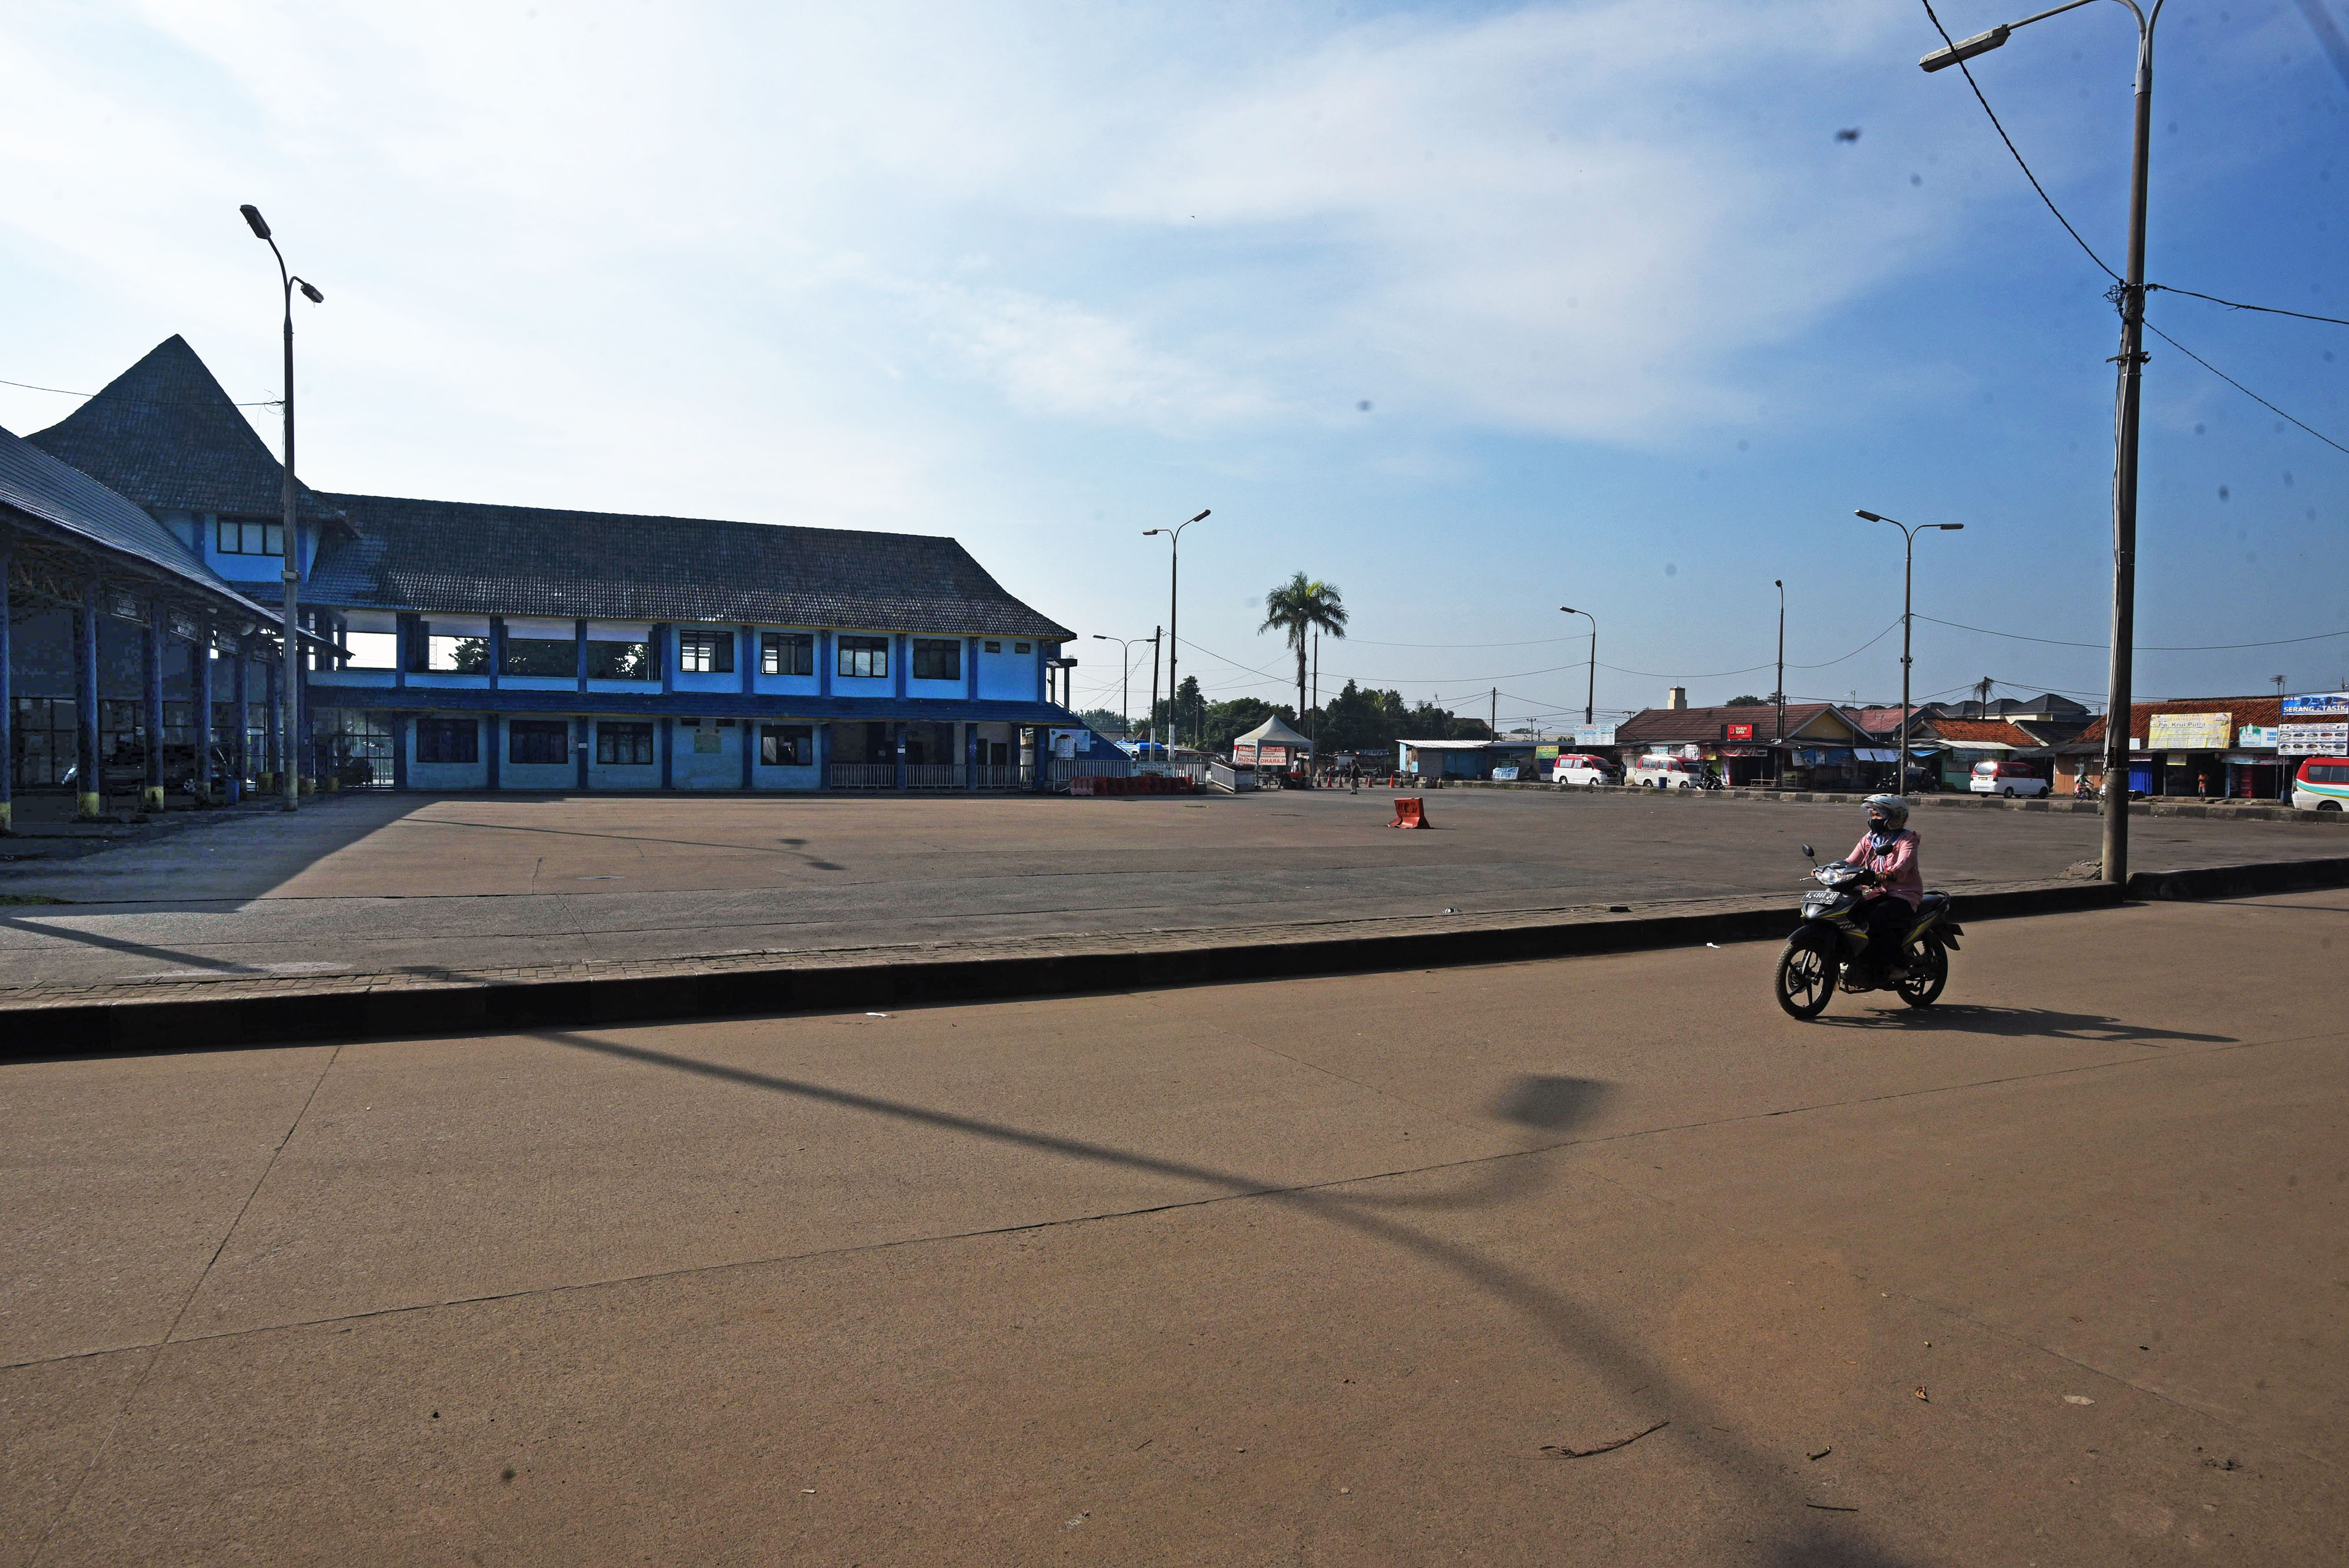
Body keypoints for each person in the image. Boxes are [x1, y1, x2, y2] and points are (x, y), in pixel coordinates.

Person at [1847, 793, 1923, 987]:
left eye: (1877, 815)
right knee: (1850, 912)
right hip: (1874, 892)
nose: (1873, 819)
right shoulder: (1870, 839)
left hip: (1902, 894)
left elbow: (1904, 863)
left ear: (1894, 817)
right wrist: (1829, 870)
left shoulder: (1907, 840)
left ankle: (1899, 965)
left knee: (1878, 918)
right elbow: (1850, 862)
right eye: (1872, 815)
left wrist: (1890, 874)